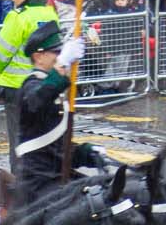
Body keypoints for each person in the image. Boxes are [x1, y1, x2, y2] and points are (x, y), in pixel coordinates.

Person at [10, 21, 105, 200]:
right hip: (37, 180)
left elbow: (57, 148)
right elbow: (37, 100)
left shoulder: (52, 88)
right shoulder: (31, 86)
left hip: (57, 175)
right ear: (39, 56)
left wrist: (87, 152)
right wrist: (61, 65)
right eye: (56, 53)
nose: (60, 56)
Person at [0, 0, 59, 110]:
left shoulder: (17, 17)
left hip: (16, 86)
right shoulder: (50, 13)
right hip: (44, 82)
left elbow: (1, 54)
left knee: (18, 130)